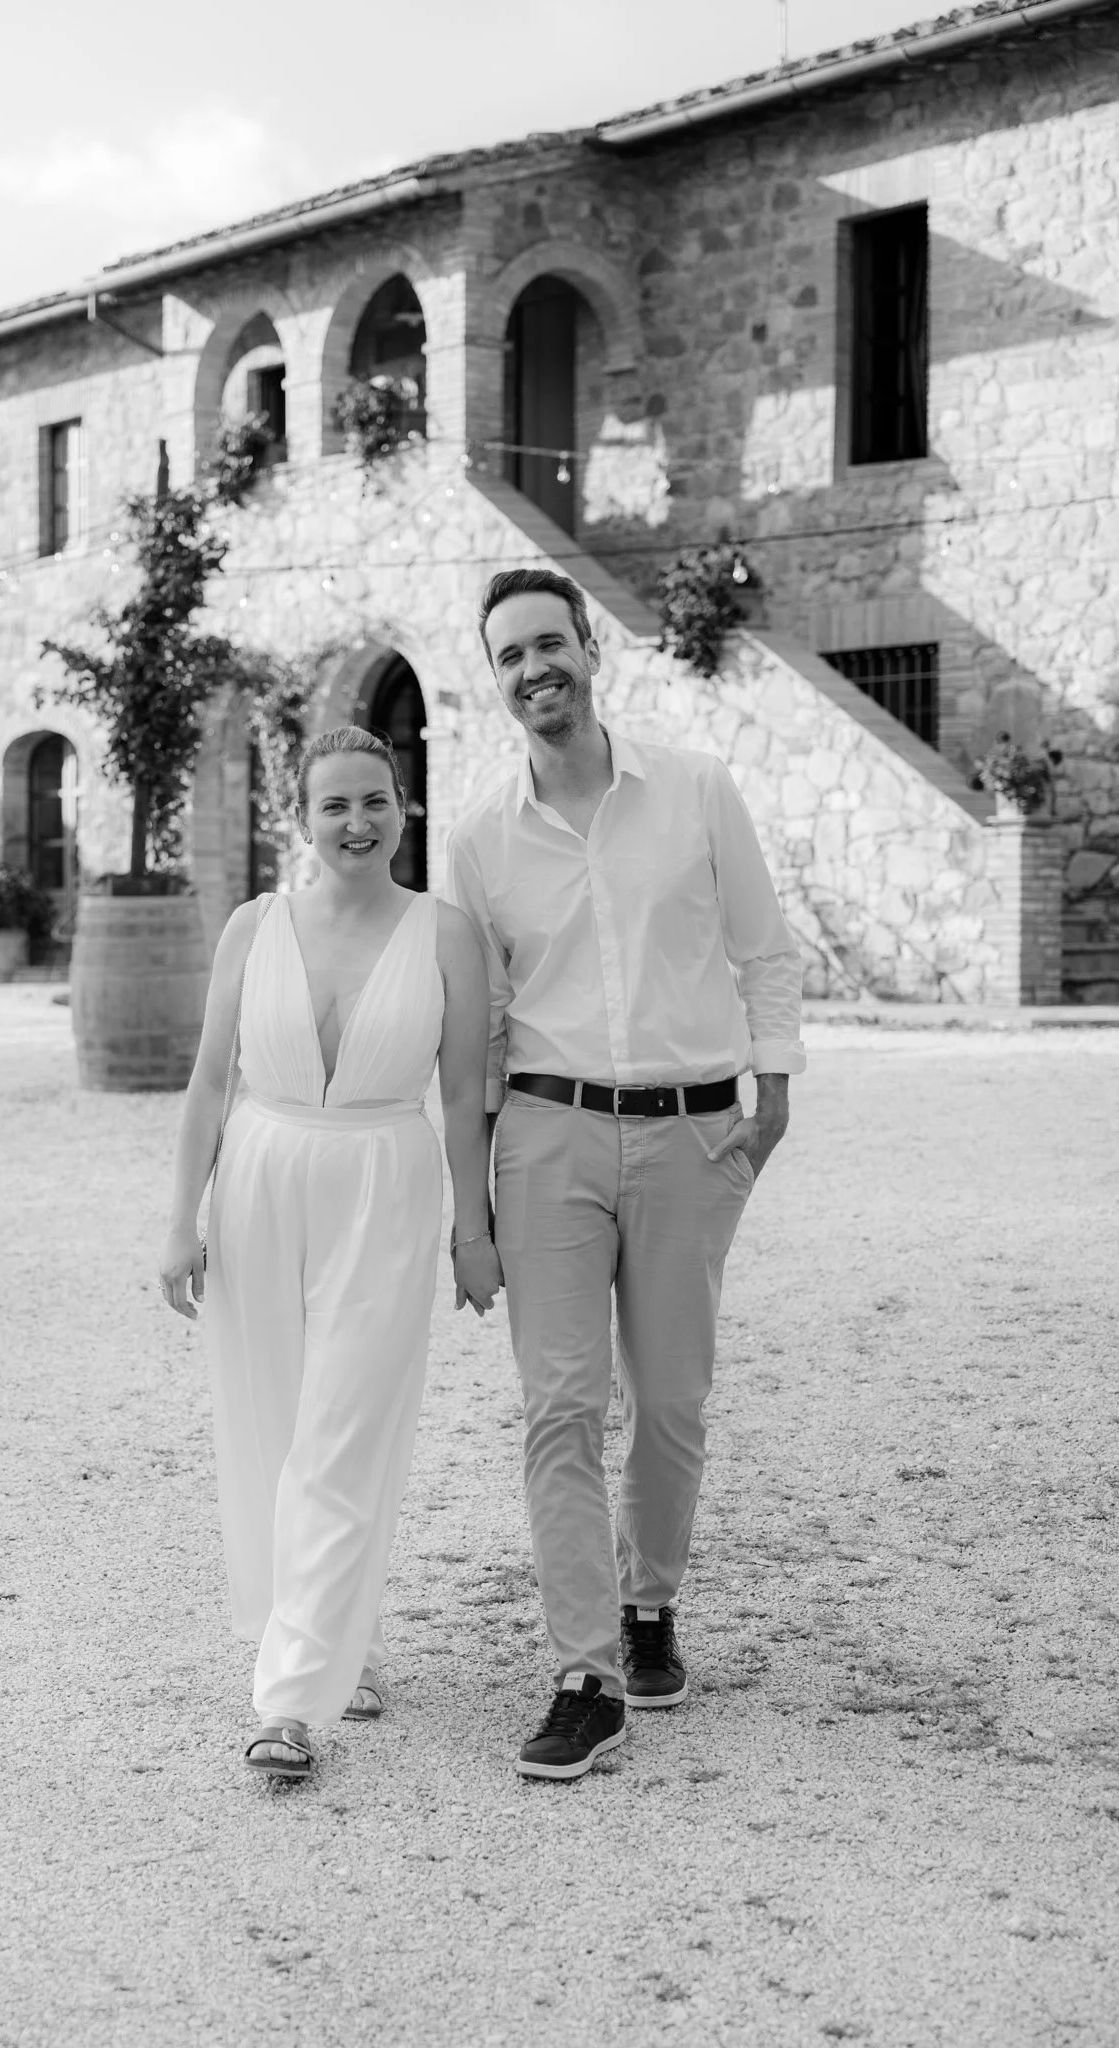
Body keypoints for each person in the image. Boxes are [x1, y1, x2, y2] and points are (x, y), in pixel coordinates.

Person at [446, 567, 806, 1782]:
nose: (534, 668)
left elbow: (763, 949)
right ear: (495, 680)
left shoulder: (695, 787)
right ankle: (585, 1675)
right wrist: (469, 1208)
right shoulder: (479, 839)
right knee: (559, 1404)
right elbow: (477, 1029)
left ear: (590, 648)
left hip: (690, 1132)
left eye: (549, 643)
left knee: (670, 1401)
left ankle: (652, 1604)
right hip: (546, 1134)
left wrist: (773, 1093)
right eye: (509, 655)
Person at [160, 725, 502, 1778]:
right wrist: (179, 1221)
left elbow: (462, 1096)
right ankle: (324, 1631)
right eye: (334, 805)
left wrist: (474, 1230)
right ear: (301, 819)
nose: (357, 823)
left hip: (384, 1185)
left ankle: (290, 1703)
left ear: (404, 807)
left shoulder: (447, 934)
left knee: (344, 1432)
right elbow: (210, 1081)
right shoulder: (253, 926)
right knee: (270, 1426)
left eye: (375, 800)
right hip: (259, 1180)